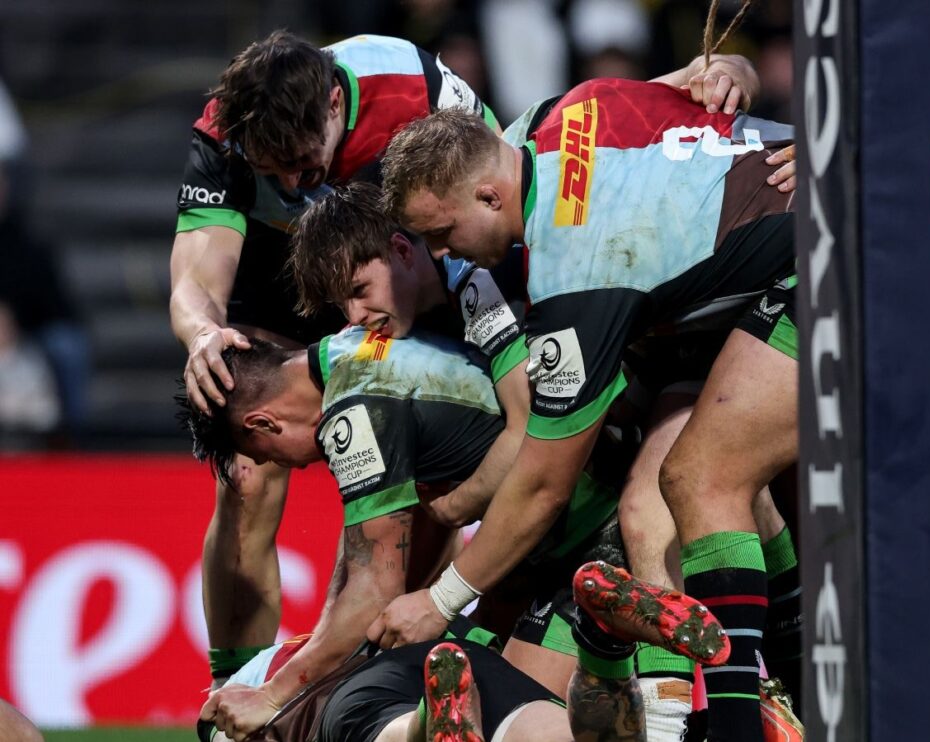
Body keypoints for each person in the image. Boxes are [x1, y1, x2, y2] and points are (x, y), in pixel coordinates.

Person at [172, 27, 766, 687]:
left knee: (639, 483)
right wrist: (201, 333)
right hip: (325, 272)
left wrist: (720, 72)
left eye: (302, 163)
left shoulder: (415, 107)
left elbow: (539, 145)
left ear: (335, 108)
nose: (290, 184)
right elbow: (196, 279)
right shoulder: (230, 139)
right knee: (258, 476)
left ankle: (710, 672)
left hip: (546, 313)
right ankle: (249, 678)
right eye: (271, 169)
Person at [292, 182, 805, 734]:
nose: (355, 315)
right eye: (341, 305)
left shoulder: (475, 281)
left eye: (360, 290)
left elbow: (529, 449)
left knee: (665, 499)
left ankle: (711, 708)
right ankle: (766, 683)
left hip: (684, 353)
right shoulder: (392, 327)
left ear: (401, 249)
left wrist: (455, 525)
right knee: (511, 694)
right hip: (627, 400)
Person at [378, 74, 797, 741]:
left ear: (488, 196)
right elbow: (708, 80)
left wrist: (442, 598)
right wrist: (732, 71)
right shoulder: (565, 110)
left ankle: (758, 712)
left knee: (703, 479)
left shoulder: (575, 271)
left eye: (442, 232)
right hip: (773, 257)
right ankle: (738, 707)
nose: (441, 254)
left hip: (825, 259)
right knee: (665, 499)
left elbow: (545, 484)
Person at [185, 330, 631, 738]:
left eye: (265, 455)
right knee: (482, 681)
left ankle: (611, 649)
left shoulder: (352, 414)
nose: (290, 466)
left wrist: (271, 696)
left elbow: (373, 593)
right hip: (558, 531)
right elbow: (374, 558)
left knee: (513, 720)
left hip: (589, 545)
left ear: (263, 423)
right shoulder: (355, 345)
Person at [199, 562, 759, 742]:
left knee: (393, 732)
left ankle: (429, 719)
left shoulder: (244, 700)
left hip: (357, 699)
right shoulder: (308, 646)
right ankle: (603, 644)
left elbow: (218, 717)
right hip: (462, 656)